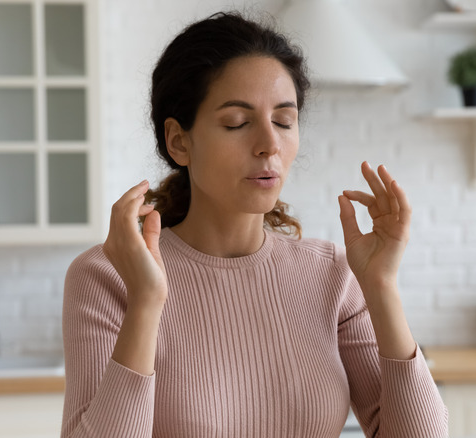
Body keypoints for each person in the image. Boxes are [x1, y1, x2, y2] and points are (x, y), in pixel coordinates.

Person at [60, 11, 448, 438]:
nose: (270, 145)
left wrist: (382, 287)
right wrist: (147, 301)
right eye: (237, 123)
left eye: (284, 121)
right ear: (179, 141)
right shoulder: (108, 276)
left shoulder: (332, 275)